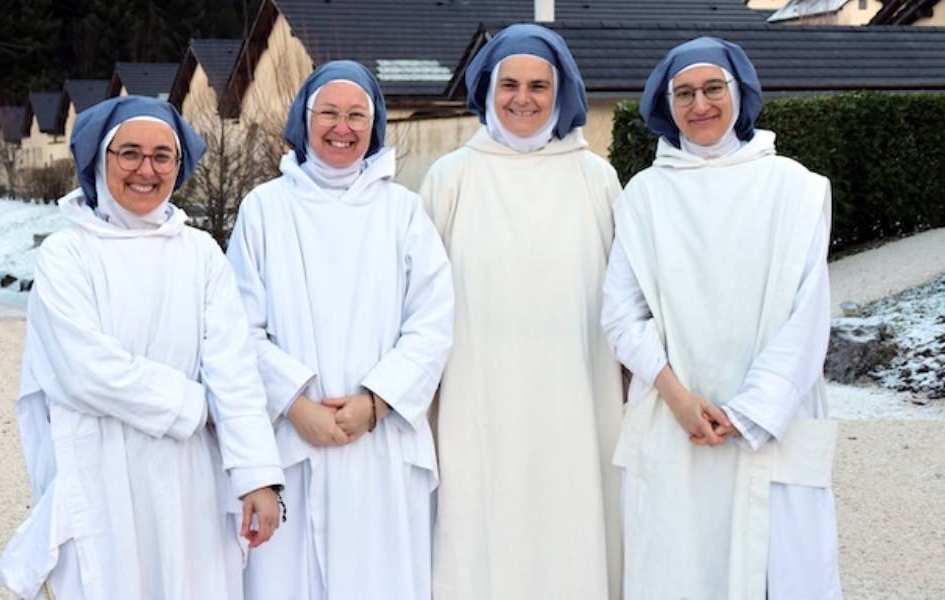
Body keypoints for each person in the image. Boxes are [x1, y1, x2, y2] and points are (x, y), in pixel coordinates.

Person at [0, 95, 285, 599]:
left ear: (180, 165)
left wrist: (258, 477)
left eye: (161, 156)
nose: (145, 170)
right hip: (99, 466)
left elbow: (234, 371)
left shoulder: (201, 255)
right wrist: (196, 405)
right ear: (99, 160)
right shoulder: (67, 254)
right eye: (129, 153)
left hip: (189, 477)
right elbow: (84, 369)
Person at [602, 37, 842, 599]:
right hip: (673, 422)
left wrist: (750, 411)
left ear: (741, 94)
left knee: (777, 569)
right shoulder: (645, 196)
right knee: (680, 567)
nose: (699, 105)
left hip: (771, 422)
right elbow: (621, 314)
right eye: (683, 93)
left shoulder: (796, 188)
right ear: (666, 105)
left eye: (713, 89)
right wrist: (679, 398)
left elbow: (808, 316)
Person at [225, 60, 454, 600]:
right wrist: (296, 404)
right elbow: (236, 327)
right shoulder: (264, 210)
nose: (341, 128)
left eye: (357, 115)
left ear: (374, 127)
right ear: (303, 120)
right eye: (328, 113)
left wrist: (374, 403)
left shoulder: (403, 212)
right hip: (291, 439)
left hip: (381, 444)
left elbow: (433, 321)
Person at [420, 23, 624, 600]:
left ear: (561, 93)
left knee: (573, 519)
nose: (523, 98)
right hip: (475, 398)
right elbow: (420, 300)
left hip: (577, 399)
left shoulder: (596, 178)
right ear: (488, 88)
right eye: (509, 83)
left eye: (539, 84)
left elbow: (625, 295)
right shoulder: (451, 177)